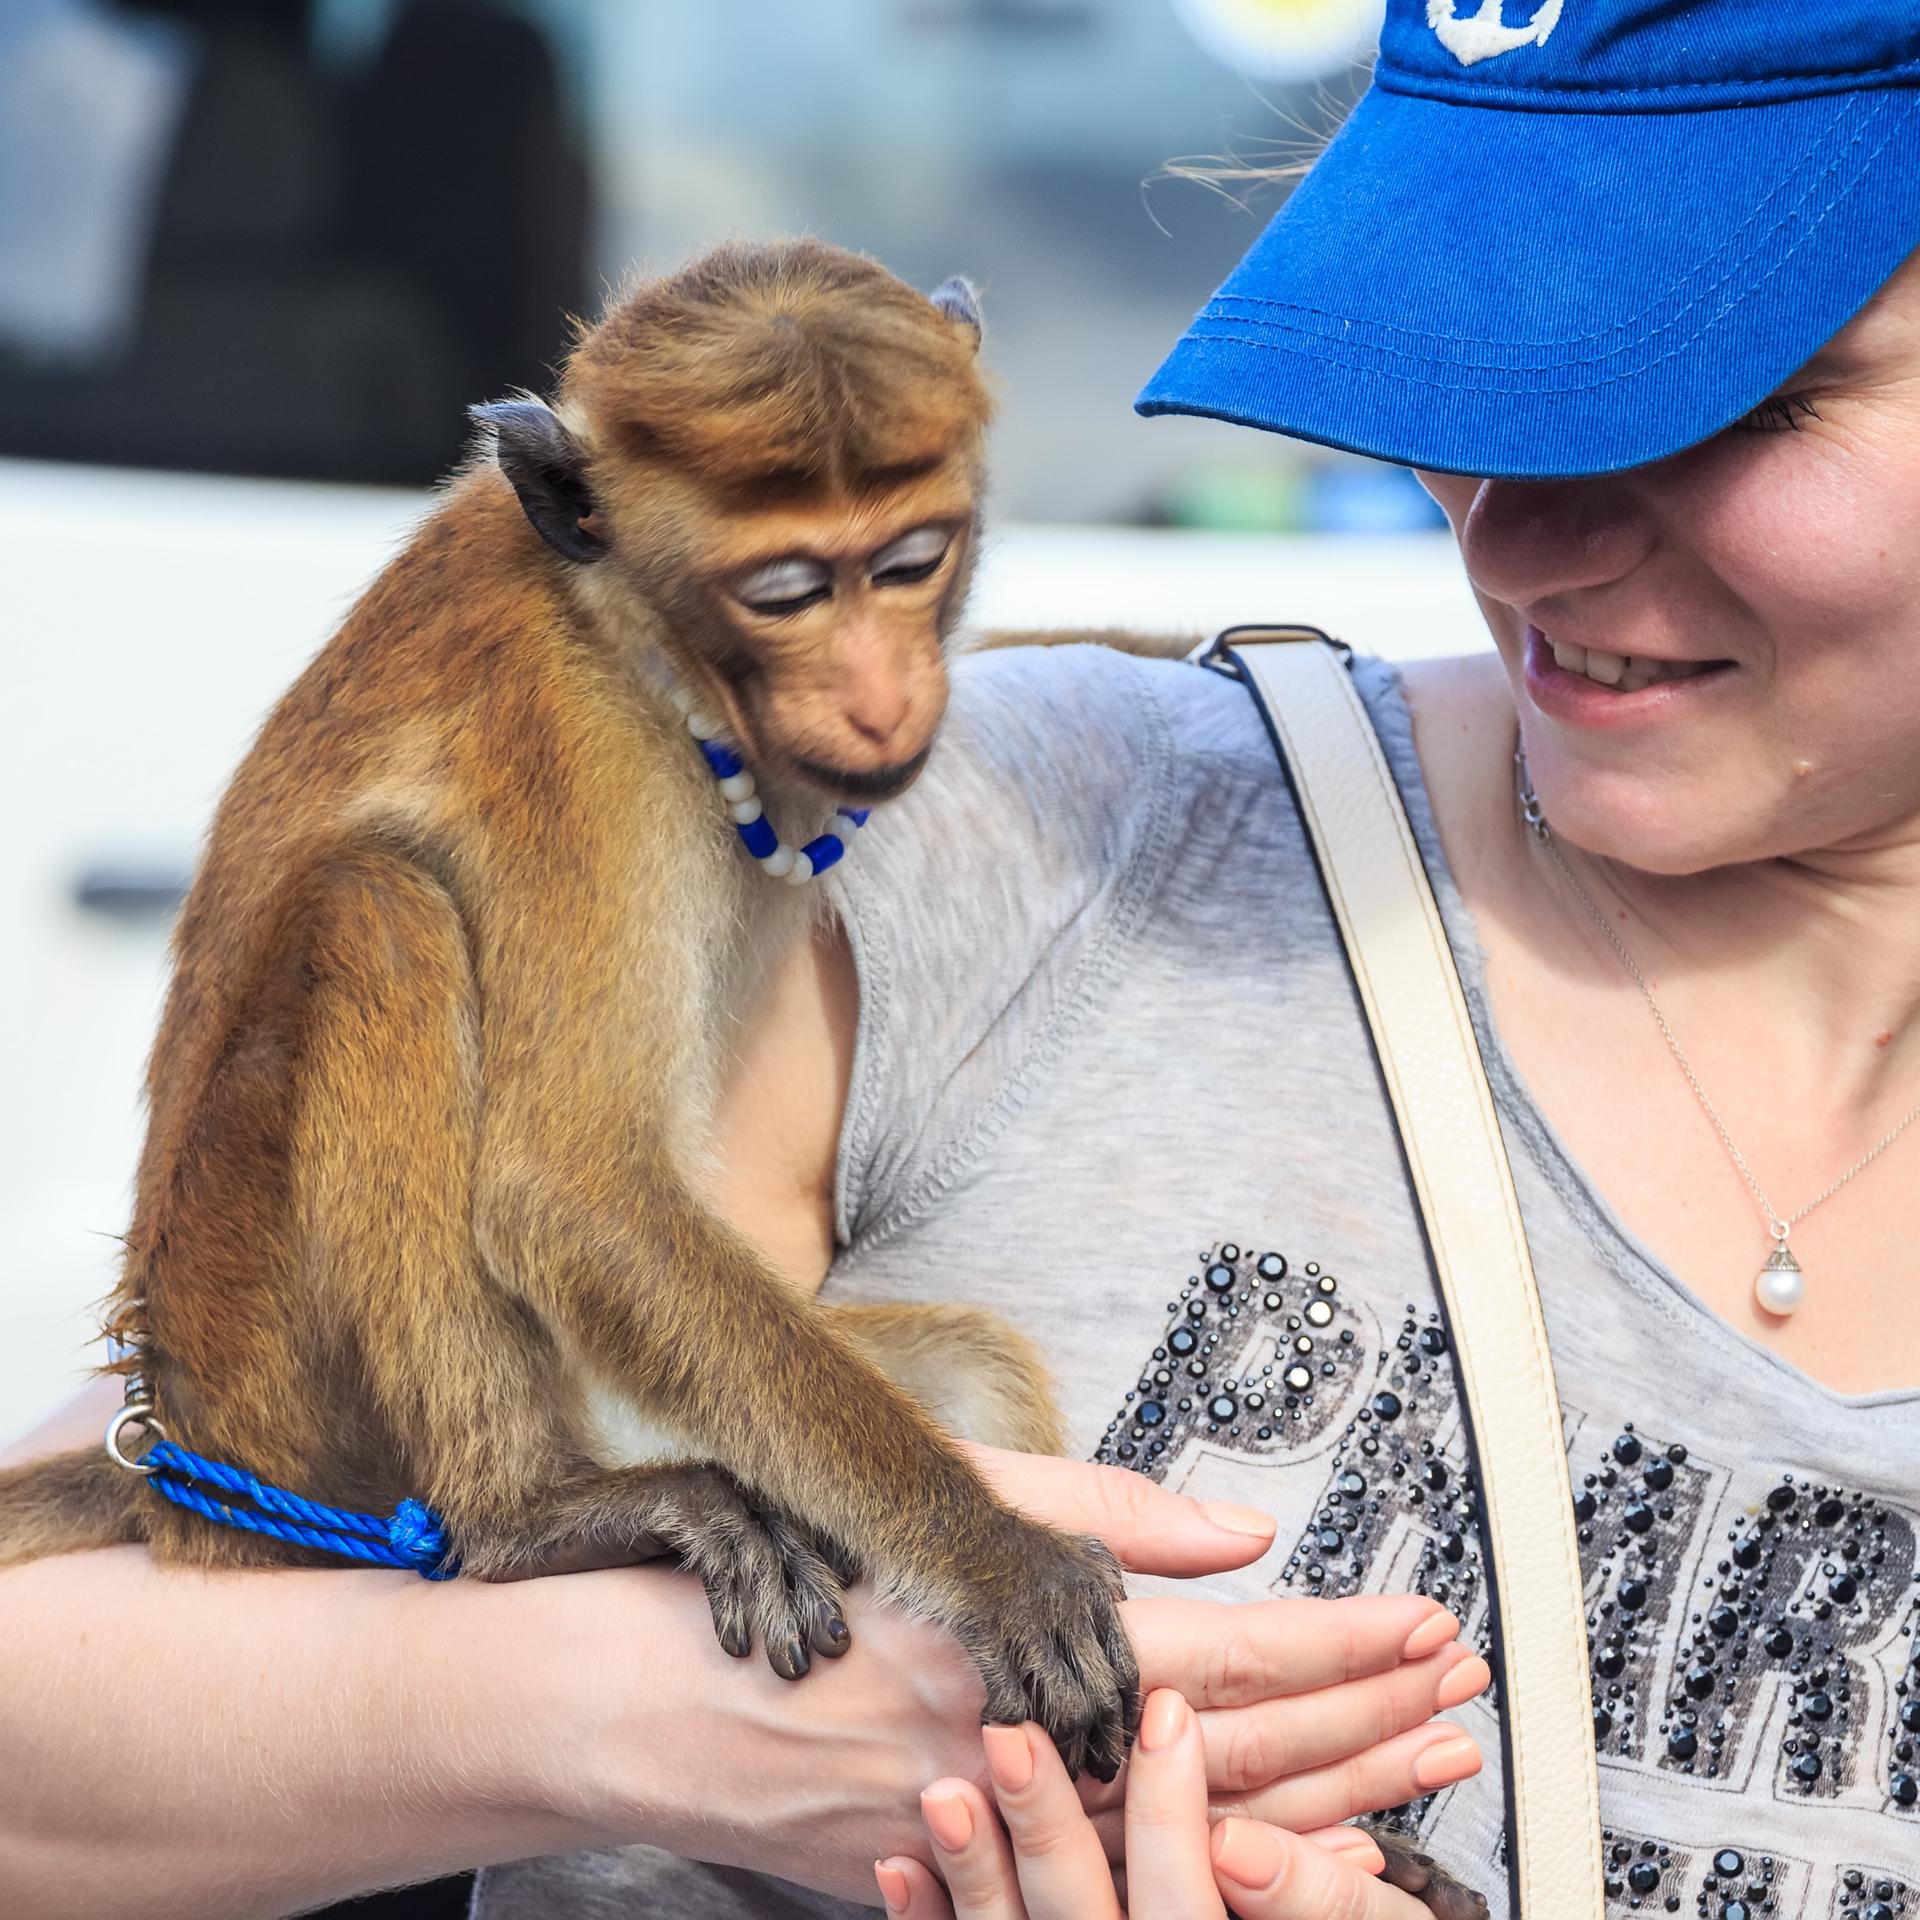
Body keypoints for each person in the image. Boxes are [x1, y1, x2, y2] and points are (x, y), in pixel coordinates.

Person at [6, 0, 1920, 1916]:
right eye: (1476, 383)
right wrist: (640, 1716)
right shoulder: (994, 832)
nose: (1521, 552)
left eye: (1738, 399)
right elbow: (176, 1554)